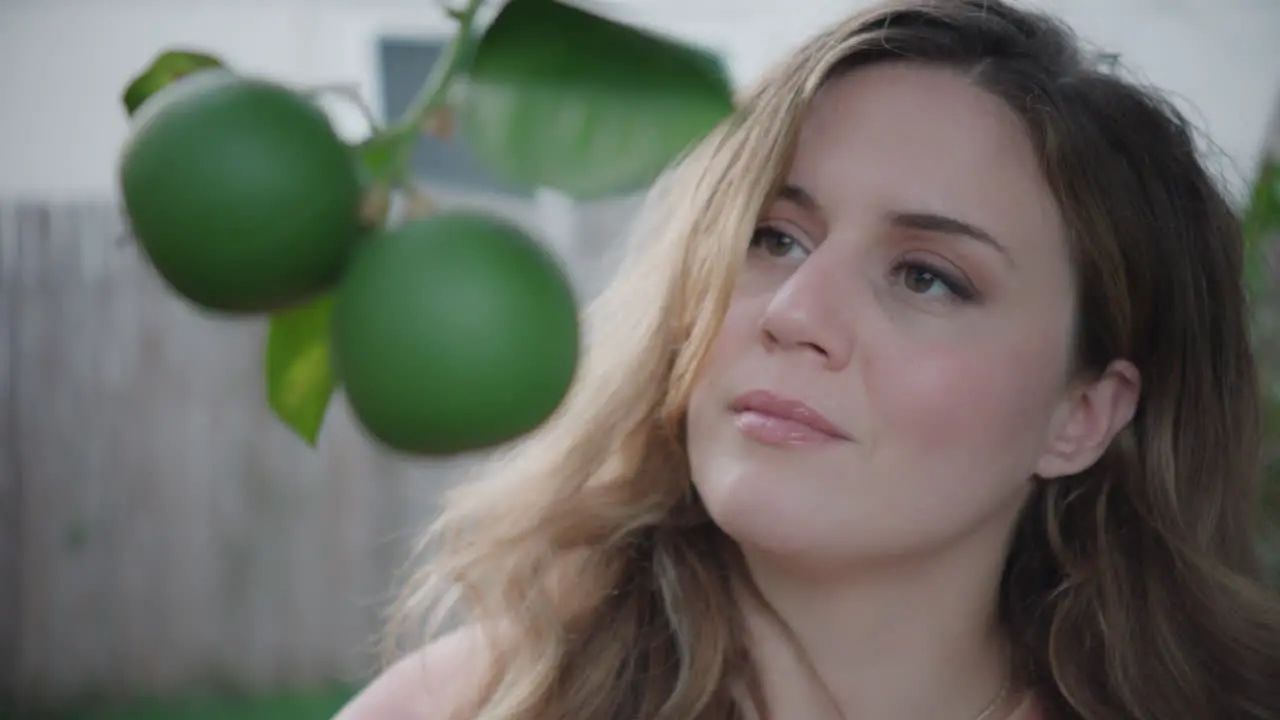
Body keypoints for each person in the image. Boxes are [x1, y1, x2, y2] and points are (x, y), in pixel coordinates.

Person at [334, 0, 1280, 718]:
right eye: (775, 237)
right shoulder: (472, 705)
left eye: (927, 277)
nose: (793, 313)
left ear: (1082, 415)